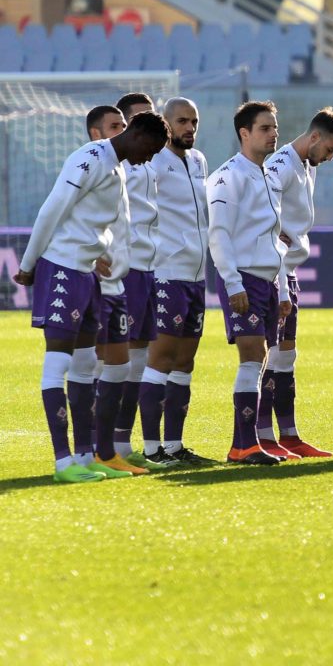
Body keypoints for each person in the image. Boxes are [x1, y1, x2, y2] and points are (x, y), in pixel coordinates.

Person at [14, 108, 167, 483]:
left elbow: (100, 225)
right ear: (139, 136)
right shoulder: (90, 158)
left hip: (86, 274)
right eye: (153, 148)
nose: (151, 157)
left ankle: (86, 456)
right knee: (58, 364)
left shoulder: (116, 167)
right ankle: (63, 462)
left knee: (84, 367)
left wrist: (108, 255)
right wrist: (29, 263)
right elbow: (54, 208)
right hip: (62, 268)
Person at [259, 107, 333, 459]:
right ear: (314, 137)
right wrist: (280, 281)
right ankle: (264, 436)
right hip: (273, 269)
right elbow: (270, 228)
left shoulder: (306, 165)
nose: (329, 158)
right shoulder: (280, 166)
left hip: (289, 269)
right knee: (270, 357)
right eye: (329, 149)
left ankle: (289, 434)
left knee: (287, 355)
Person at [207, 100, 292, 465]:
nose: (274, 134)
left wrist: (284, 289)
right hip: (243, 278)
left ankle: (249, 442)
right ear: (244, 133)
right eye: (265, 128)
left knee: (260, 359)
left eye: (274, 127)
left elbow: (276, 239)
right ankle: (243, 444)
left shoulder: (267, 175)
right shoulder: (228, 176)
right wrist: (232, 282)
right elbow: (218, 233)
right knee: (252, 356)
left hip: (267, 281)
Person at [140, 97, 212, 466]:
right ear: (166, 124)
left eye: (194, 122)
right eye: (182, 121)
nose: (190, 129)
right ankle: (151, 448)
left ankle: (174, 445)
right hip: (167, 272)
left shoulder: (198, 161)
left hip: (197, 276)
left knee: (185, 362)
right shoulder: (153, 161)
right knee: (161, 358)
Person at [111, 92, 159, 468]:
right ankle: (100, 444)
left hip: (150, 269)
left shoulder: (154, 164)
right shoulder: (114, 165)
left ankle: (123, 444)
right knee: (112, 359)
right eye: (139, 119)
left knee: (139, 360)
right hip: (122, 271)